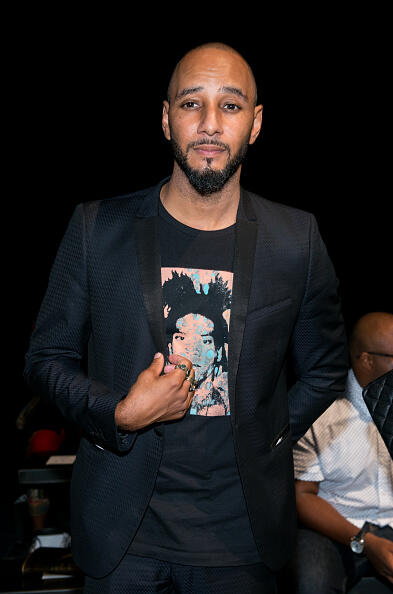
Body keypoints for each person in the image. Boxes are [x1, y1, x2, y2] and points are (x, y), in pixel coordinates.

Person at [24, 42, 348, 593]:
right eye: (192, 103)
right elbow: (45, 359)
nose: (209, 124)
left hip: (242, 539)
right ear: (166, 117)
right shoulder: (96, 229)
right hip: (122, 538)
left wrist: (265, 426)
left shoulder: (297, 240)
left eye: (230, 105)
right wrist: (119, 413)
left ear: (256, 122)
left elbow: (325, 367)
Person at [291, 312, 393, 593]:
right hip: (335, 529)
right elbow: (302, 496)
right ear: (367, 360)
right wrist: (365, 540)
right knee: (312, 581)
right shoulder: (322, 410)